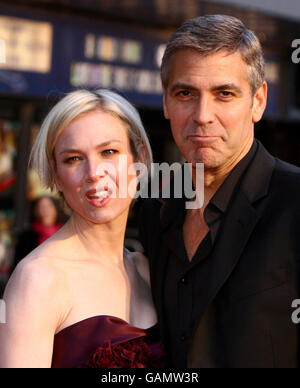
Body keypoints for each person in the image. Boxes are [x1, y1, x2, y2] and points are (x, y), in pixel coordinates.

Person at [139, 15, 300, 368]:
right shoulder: (157, 208)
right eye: (185, 93)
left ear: (258, 101)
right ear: (166, 102)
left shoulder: (294, 202)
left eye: (224, 94)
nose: (202, 115)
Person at [0, 89, 164, 368]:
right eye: (73, 158)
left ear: (139, 159)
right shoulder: (38, 279)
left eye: (109, 151)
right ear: (55, 175)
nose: (93, 173)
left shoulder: (148, 270)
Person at [12, 196, 65, 272]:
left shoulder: (66, 234)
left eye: (48, 206)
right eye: (41, 207)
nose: (45, 210)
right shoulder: (26, 237)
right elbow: (18, 264)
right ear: (34, 211)